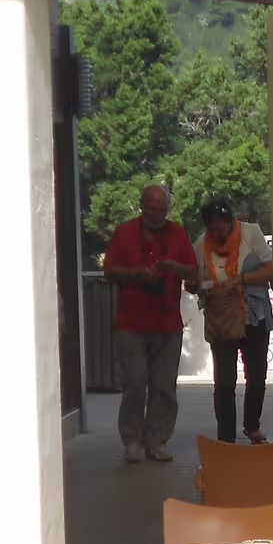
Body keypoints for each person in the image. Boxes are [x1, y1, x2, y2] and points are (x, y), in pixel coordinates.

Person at [102, 184, 198, 463]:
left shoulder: (177, 233)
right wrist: (136, 274)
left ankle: (156, 440)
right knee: (135, 382)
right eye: (150, 208)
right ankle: (132, 439)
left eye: (161, 209)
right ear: (142, 205)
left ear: (167, 209)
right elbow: (109, 270)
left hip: (168, 323)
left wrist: (174, 268)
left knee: (164, 386)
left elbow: (192, 270)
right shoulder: (124, 232)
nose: (155, 214)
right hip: (131, 322)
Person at [194, 197, 273, 444]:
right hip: (221, 317)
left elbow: (271, 269)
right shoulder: (200, 246)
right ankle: (225, 437)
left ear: (232, 222)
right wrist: (201, 286)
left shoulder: (251, 234)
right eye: (213, 229)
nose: (217, 233)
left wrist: (241, 280)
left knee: (257, 374)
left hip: (253, 314)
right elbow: (196, 283)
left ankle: (252, 427)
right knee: (225, 381)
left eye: (222, 227)